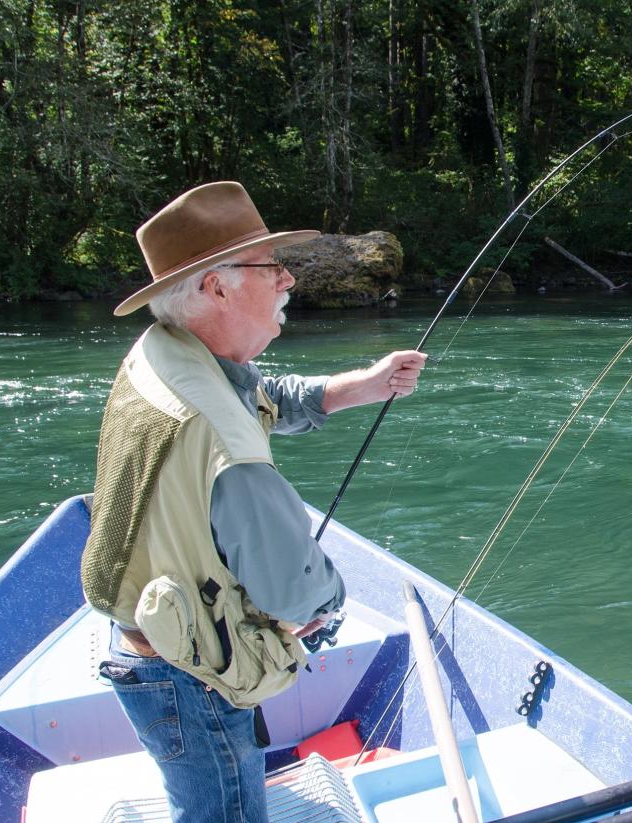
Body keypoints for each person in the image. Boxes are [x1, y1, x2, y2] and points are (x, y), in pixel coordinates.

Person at [80, 181, 426, 822]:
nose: (288, 279)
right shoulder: (224, 441)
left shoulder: (167, 350)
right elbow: (296, 596)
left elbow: (257, 394)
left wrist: (363, 385)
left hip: (146, 634)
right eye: (271, 267)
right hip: (190, 679)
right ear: (217, 286)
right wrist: (326, 605)